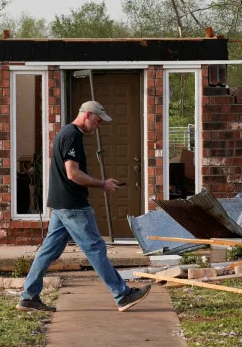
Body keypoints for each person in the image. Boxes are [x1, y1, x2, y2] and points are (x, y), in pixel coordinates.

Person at [17, 100, 152, 313]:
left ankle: (28, 296)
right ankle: (122, 294)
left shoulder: (65, 133)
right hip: (73, 205)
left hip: (61, 204)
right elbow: (73, 174)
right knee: (95, 248)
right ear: (88, 115)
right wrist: (102, 184)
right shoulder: (73, 136)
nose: (98, 126)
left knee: (48, 251)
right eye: (98, 121)